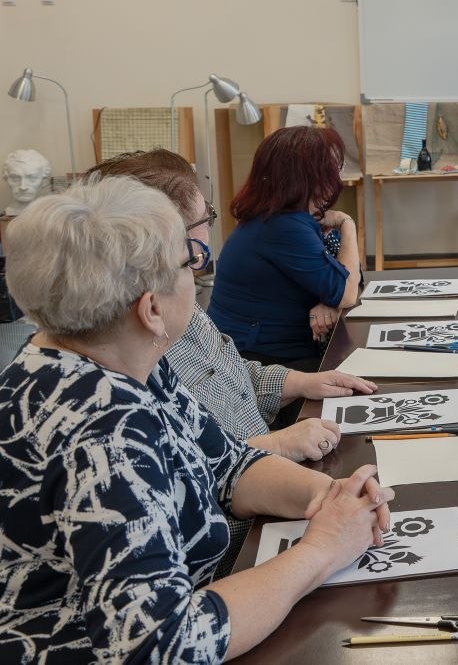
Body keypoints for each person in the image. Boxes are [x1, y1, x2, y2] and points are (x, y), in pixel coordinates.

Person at [0, 177, 394, 661]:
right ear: (151, 309)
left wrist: (326, 497)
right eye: (191, 264)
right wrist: (323, 549)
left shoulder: (115, 358)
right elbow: (166, 646)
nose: (198, 276)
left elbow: (227, 464)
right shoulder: (104, 431)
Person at [88, 149, 379, 574]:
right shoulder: (137, 349)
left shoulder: (171, 306)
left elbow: (230, 396)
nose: (211, 229)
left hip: (263, 496)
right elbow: (190, 478)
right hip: (234, 544)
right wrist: (282, 447)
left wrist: (298, 384)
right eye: (204, 216)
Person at [210, 126, 361, 371]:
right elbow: (347, 291)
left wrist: (329, 299)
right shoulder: (284, 226)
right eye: (332, 168)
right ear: (308, 175)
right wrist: (348, 224)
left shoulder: (281, 217)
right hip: (259, 361)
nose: (338, 177)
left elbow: (350, 277)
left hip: (269, 350)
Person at [3, 148, 51, 216]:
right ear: (6, 180)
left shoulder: (48, 213)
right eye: (15, 178)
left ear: (44, 181)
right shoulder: (6, 214)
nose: (23, 187)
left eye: (32, 178)